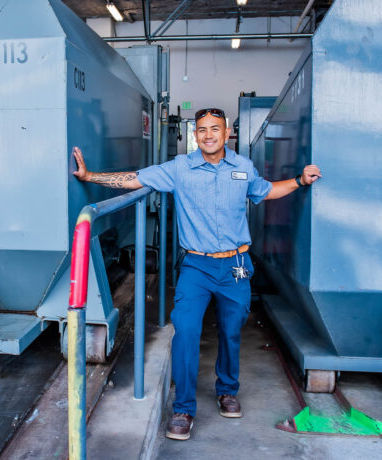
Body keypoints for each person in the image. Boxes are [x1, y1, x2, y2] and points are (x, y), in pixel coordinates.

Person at [72, 107, 321, 441]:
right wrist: (91, 177)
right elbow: (135, 178)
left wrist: (299, 181)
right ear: (195, 135)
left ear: (227, 133)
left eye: (214, 129)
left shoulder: (243, 168)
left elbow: (265, 190)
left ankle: (227, 390)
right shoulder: (180, 169)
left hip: (235, 265)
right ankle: (183, 408)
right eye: (201, 130)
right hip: (197, 266)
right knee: (186, 331)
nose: (208, 135)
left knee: (232, 331)